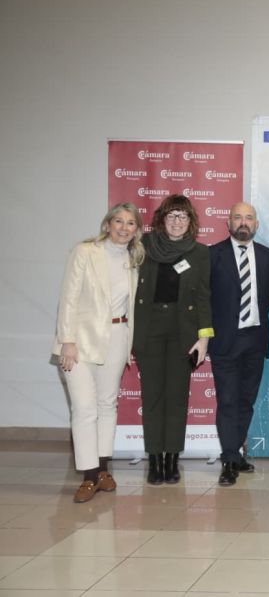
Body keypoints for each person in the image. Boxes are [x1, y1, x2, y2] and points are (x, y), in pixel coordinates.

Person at [53, 203, 145, 502]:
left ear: (136, 230)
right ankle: (89, 476)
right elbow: (68, 298)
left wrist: (129, 344)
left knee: (107, 405)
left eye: (130, 223)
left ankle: (104, 469)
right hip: (79, 341)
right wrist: (66, 340)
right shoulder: (85, 251)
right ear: (107, 224)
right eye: (118, 221)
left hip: (118, 337)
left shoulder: (133, 258)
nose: (123, 227)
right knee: (84, 408)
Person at [133, 195, 212, 485]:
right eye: (172, 216)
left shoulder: (200, 253)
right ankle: (155, 459)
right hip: (149, 328)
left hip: (184, 333)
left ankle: (172, 459)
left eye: (183, 216)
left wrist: (204, 339)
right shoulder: (142, 246)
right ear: (161, 219)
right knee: (152, 396)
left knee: (177, 398)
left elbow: (204, 297)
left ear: (191, 222)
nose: (177, 222)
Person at [209, 202, 269, 486]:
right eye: (237, 217)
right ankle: (228, 458)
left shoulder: (268, 257)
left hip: (254, 339)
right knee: (227, 400)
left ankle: (237, 452)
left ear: (257, 224)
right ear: (228, 222)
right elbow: (203, 298)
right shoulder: (212, 255)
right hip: (225, 340)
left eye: (249, 218)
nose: (243, 222)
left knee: (246, 401)